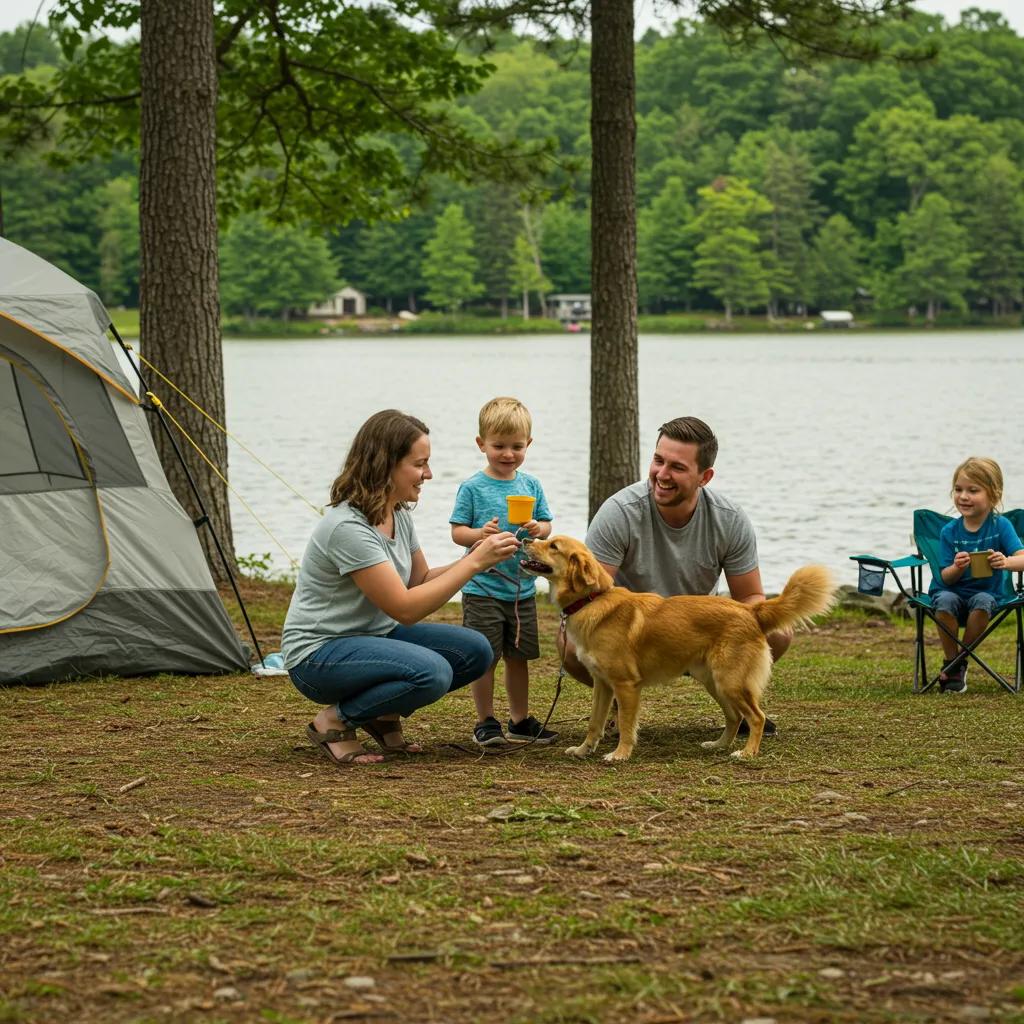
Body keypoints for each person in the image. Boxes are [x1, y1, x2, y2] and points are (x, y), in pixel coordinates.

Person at [282, 409, 521, 766]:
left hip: (373, 638)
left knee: (475, 650)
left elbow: (419, 581)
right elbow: (405, 608)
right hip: (319, 655)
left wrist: (479, 555)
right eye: (420, 464)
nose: (428, 474)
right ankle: (334, 721)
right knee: (432, 672)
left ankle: (380, 714)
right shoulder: (349, 528)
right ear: (385, 464)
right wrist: (474, 562)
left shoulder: (398, 513)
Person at [562, 415, 788, 737]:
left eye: (677, 468)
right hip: (631, 639)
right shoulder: (619, 512)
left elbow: (751, 597)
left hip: (697, 632)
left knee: (777, 632)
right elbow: (591, 593)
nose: (662, 475)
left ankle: (739, 703)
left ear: (704, 477)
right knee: (570, 646)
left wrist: (736, 630)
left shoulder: (729, 519)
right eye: (658, 461)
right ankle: (619, 700)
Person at [450, 397, 557, 748]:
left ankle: (519, 720)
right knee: (485, 658)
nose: (508, 454)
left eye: (517, 446)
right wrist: (479, 534)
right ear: (481, 444)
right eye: (499, 446)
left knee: (519, 657)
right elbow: (457, 532)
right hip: (483, 588)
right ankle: (485, 721)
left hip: (521, 591)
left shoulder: (531, 485)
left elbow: (546, 525)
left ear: (529, 444)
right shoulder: (472, 487)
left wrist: (537, 528)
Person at [930, 456, 1024, 694]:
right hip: (952, 591)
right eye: (958, 489)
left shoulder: (1000, 525)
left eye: (973, 490)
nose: (963, 496)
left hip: (987, 594)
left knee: (982, 602)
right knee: (944, 601)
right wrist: (957, 567)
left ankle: (956, 663)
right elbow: (946, 577)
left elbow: (1022, 559)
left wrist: (1005, 561)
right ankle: (954, 663)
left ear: (993, 494)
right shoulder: (949, 531)